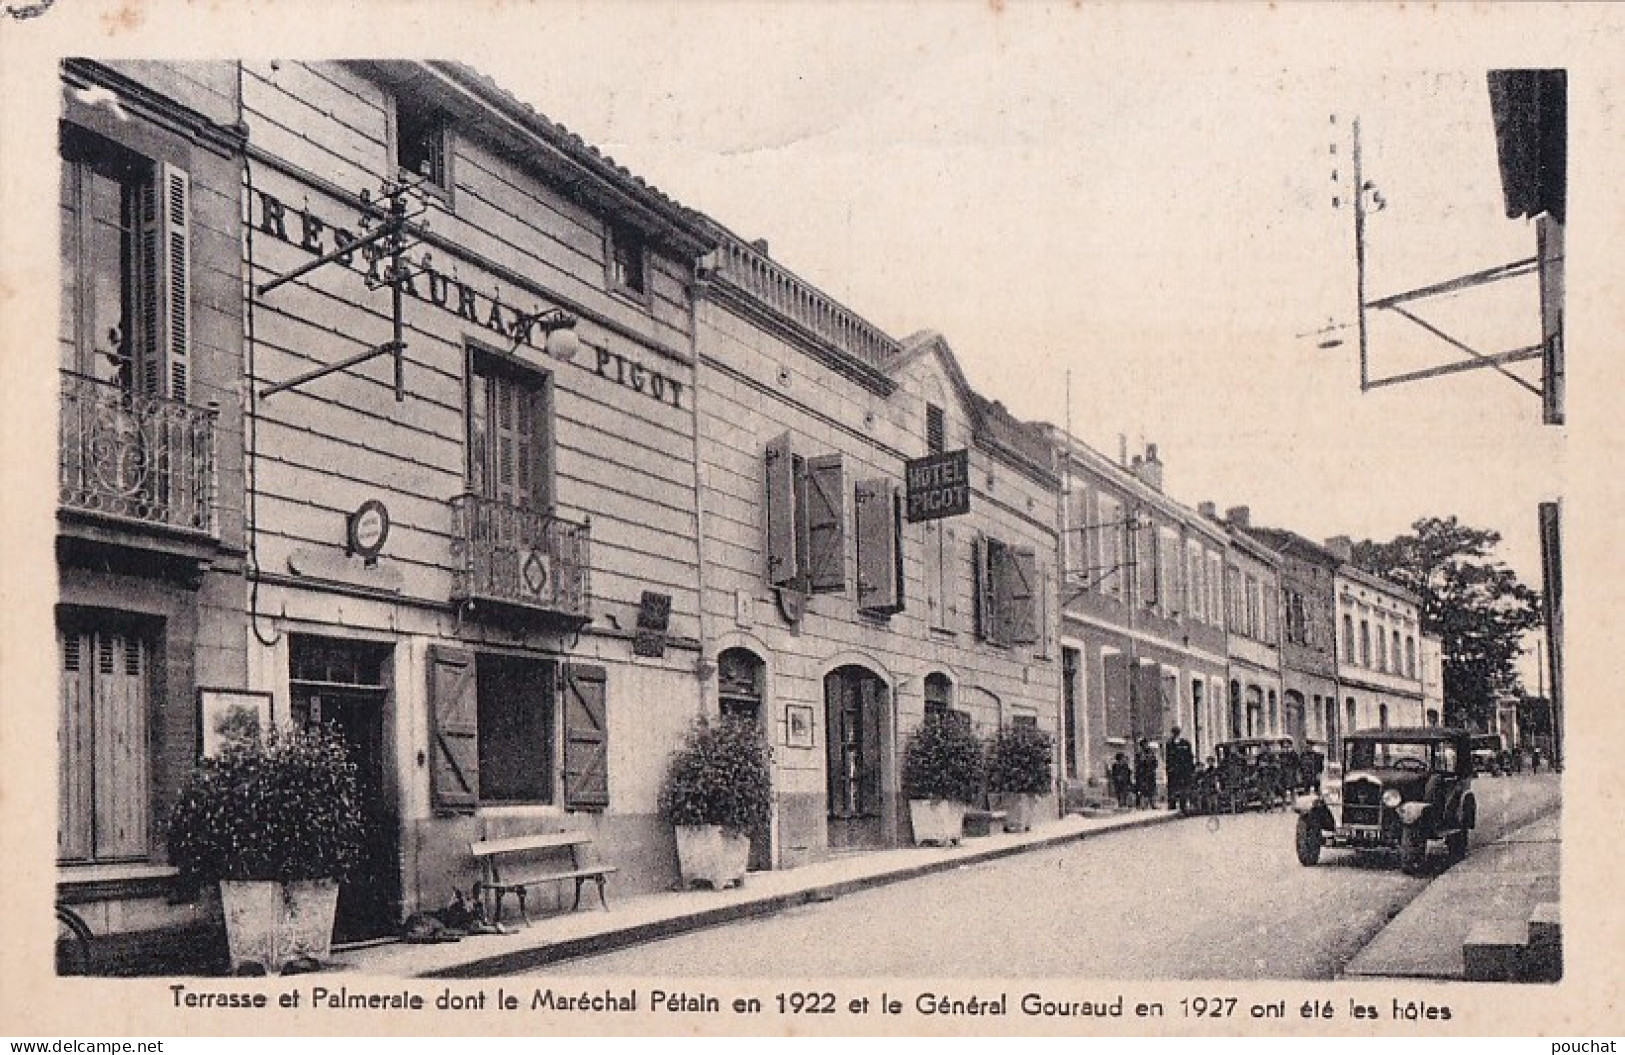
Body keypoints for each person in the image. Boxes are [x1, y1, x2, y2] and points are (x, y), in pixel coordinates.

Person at [1165, 726, 1196, 812]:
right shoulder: (1169, 744)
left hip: (1184, 770)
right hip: (1174, 770)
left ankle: (1183, 804)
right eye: (1175, 733)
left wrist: (1190, 768)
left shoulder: (1185, 743)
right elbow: (1168, 757)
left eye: (1177, 732)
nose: (1176, 734)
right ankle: (1172, 803)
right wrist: (1169, 769)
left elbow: (1190, 757)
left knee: (1183, 787)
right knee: (1173, 787)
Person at [1133, 738, 1159, 809]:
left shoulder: (1151, 752)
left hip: (1150, 773)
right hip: (1143, 774)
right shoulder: (1139, 754)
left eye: (1146, 744)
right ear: (1142, 745)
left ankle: (1153, 803)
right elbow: (1137, 764)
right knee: (1143, 789)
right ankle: (1143, 804)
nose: (1146, 745)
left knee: (1152, 789)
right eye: (1144, 744)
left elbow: (1155, 762)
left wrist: (1153, 767)